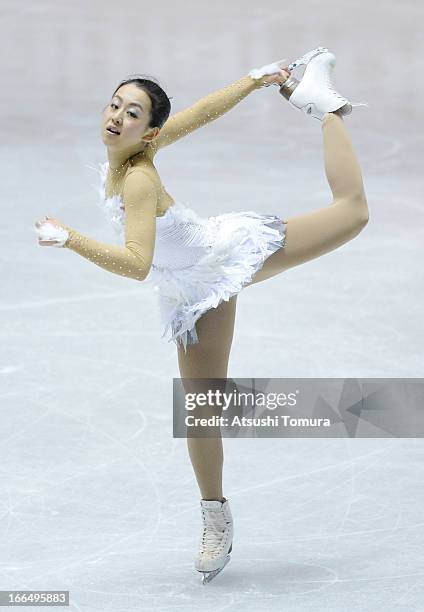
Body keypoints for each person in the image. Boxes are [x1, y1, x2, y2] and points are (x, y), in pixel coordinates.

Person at [34, 48, 369, 583]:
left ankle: (324, 108)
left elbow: (137, 264)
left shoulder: (139, 177)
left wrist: (70, 239)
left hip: (225, 254)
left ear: (147, 132)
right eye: (115, 105)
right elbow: (198, 113)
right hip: (192, 292)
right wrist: (253, 80)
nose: (116, 116)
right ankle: (215, 514)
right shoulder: (126, 157)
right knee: (202, 407)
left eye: (132, 113)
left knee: (352, 212)